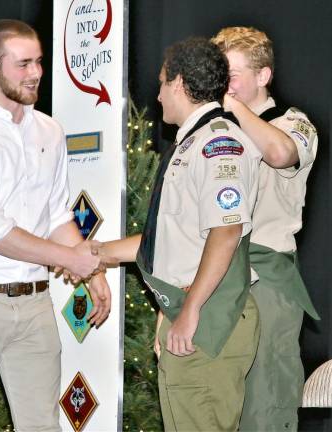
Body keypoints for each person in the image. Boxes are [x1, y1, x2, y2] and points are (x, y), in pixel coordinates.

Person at [0, 19, 112, 432]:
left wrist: (93, 270)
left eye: (39, 63)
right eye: (23, 64)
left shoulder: (49, 129)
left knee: (42, 426)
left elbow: (56, 217)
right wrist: (72, 259)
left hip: (35, 304)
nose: (35, 74)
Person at [98, 37, 261, 431]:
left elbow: (225, 232)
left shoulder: (218, 144)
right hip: (189, 314)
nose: (156, 95)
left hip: (208, 318)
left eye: (161, 83)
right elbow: (173, 241)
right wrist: (98, 253)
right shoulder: (191, 144)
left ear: (179, 84)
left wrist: (188, 312)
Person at [212, 26, 319, 431]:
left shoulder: (294, 123)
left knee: (267, 403)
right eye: (221, 75)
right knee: (217, 406)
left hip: (266, 282)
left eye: (234, 74)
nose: (227, 84)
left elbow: (280, 153)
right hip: (213, 282)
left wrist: (232, 107)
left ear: (263, 76)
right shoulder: (214, 131)